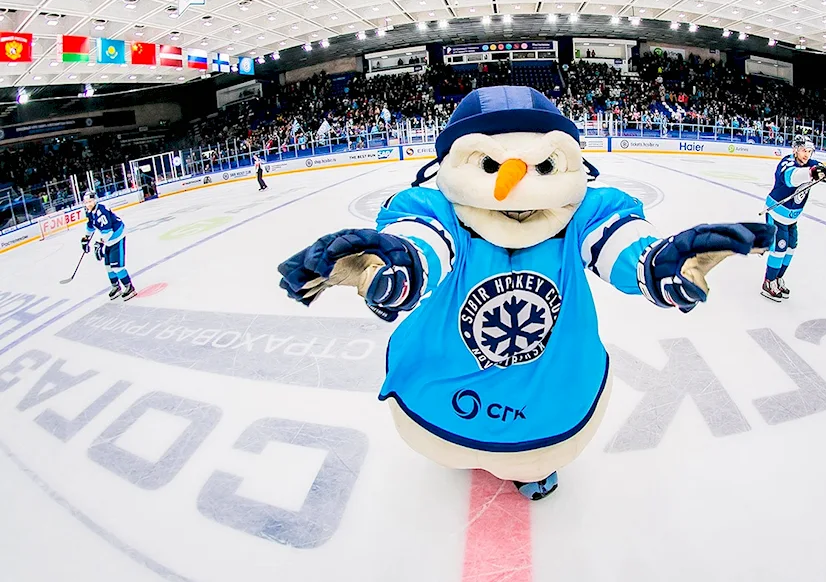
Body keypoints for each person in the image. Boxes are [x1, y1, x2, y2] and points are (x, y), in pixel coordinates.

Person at [277, 86, 774, 500]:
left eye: (541, 167)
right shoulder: (440, 210)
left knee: (529, 446)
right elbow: (424, 239)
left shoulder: (581, 212)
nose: (516, 187)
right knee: (477, 438)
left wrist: (657, 263)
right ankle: (501, 455)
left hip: (543, 401)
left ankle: (519, 459)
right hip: (454, 389)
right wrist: (397, 263)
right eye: (490, 166)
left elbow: (619, 242)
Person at [761, 136, 826, 301]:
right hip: (776, 214)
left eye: (810, 151)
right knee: (779, 248)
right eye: (804, 150)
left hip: (792, 218)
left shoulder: (812, 164)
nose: (807, 154)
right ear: (795, 150)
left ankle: (777, 278)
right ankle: (768, 282)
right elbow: (792, 177)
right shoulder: (787, 163)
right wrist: (813, 172)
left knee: (791, 247)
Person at [81, 190, 136, 301]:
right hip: (108, 240)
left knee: (117, 266)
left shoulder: (101, 211)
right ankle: (116, 286)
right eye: (86, 202)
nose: (88, 204)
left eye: (90, 201)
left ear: (95, 200)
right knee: (108, 266)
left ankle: (129, 287)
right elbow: (90, 226)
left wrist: (99, 242)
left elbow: (108, 231)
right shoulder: (89, 211)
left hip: (117, 236)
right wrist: (85, 239)